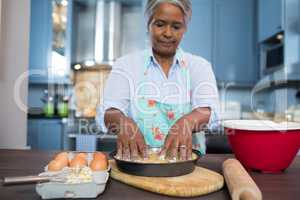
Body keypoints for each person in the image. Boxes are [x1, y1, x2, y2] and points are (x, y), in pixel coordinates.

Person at [97, 0, 219, 161]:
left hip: (187, 164)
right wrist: (122, 122)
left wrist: (188, 122)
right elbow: (107, 112)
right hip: (138, 162)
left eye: (176, 27)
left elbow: (211, 113)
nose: (168, 33)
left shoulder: (199, 66)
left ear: (184, 29)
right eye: (160, 24)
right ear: (149, 24)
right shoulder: (125, 65)